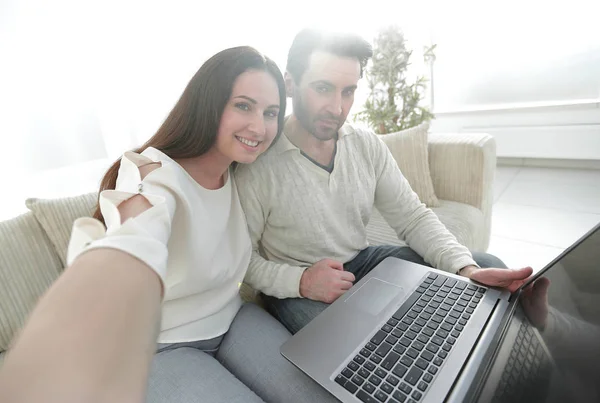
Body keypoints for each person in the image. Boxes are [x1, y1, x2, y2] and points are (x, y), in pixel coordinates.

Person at [0, 46, 338, 403]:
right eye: (243, 105)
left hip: (234, 320)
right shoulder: (153, 173)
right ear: (208, 103)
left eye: (270, 112)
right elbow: (138, 233)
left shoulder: (242, 172)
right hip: (163, 348)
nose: (260, 126)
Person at [234, 29, 533, 334]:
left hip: (362, 261)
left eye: (348, 91)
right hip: (299, 284)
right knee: (353, 342)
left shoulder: (365, 143)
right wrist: (302, 282)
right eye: (323, 88)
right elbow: (243, 261)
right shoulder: (257, 164)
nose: (337, 108)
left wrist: (464, 268)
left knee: (485, 267)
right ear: (290, 84)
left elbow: (413, 218)